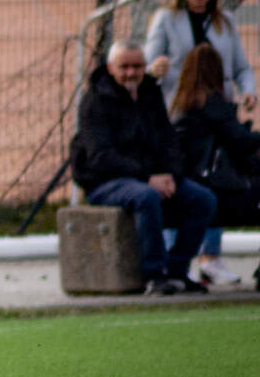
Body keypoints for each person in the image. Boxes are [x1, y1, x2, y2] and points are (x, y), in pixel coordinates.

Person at [70, 40, 216, 296]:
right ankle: (154, 275)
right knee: (146, 197)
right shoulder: (95, 102)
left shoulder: (150, 92)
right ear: (111, 68)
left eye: (137, 66)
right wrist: (148, 177)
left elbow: (168, 139)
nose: (131, 73)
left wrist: (171, 174)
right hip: (105, 182)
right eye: (124, 67)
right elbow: (101, 157)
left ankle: (177, 271)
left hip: (150, 177)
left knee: (203, 199)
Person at [144, 0, 257, 286]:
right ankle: (174, 256)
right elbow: (150, 64)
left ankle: (211, 257)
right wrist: (156, 69)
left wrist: (248, 91)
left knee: (219, 174)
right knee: (185, 178)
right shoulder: (167, 20)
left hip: (217, 113)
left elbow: (240, 67)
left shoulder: (224, 22)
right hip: (179, 112)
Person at [168, 43, 260, 291]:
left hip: (191, 184)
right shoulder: (212, 102)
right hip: (218, 190)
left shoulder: (179, 105)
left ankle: (177, 268)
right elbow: (240, 141)